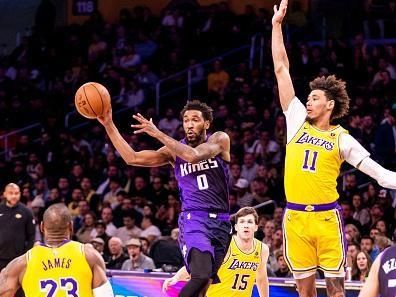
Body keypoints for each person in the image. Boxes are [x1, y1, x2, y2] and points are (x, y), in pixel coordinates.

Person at [271, 1, 396, 296]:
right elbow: (280, 68)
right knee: (304, 292)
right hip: (295, 218)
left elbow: (381, 175)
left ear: (329, 104)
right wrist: (276, 26)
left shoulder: (343, 138)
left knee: (336, 291)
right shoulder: (296, 120)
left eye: (314, 98)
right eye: (308, 97)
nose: (308, 101)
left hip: (327, 219)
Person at [98, 99, 232, 297]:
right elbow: (132, 158)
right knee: (201, 275)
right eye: (186, 120)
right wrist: (109, 124)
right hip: (194, 220)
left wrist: (157, 133)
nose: (189, 124)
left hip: (221, 223)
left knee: (204, 287)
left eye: (195, 119)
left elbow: (193, 155)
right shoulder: (173, 152)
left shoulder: (219, 139)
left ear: (206, 124)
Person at [0, 203, 114, 296]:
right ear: (71, 226)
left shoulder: (23, 262)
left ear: (41, 227)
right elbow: (105, 295)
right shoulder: (89, 255)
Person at [163, 207, 269, 297]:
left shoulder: (262, 249)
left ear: (255, 227)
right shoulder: (225, 244)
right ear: (236, 227)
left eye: (250, 222)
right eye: (242, 222)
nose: (246, 225)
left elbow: (261, 277)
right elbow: (198, 267)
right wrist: (176, 278)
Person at [0, 183, 35, 297]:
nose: (14, 196)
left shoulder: (26, 212)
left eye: (16, 193)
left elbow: (31, 236)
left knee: (20, 289)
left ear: (20, 194)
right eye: (11, 193)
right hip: (0, 258)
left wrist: (25, 255)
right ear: (5, 194)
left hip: (18, 259)